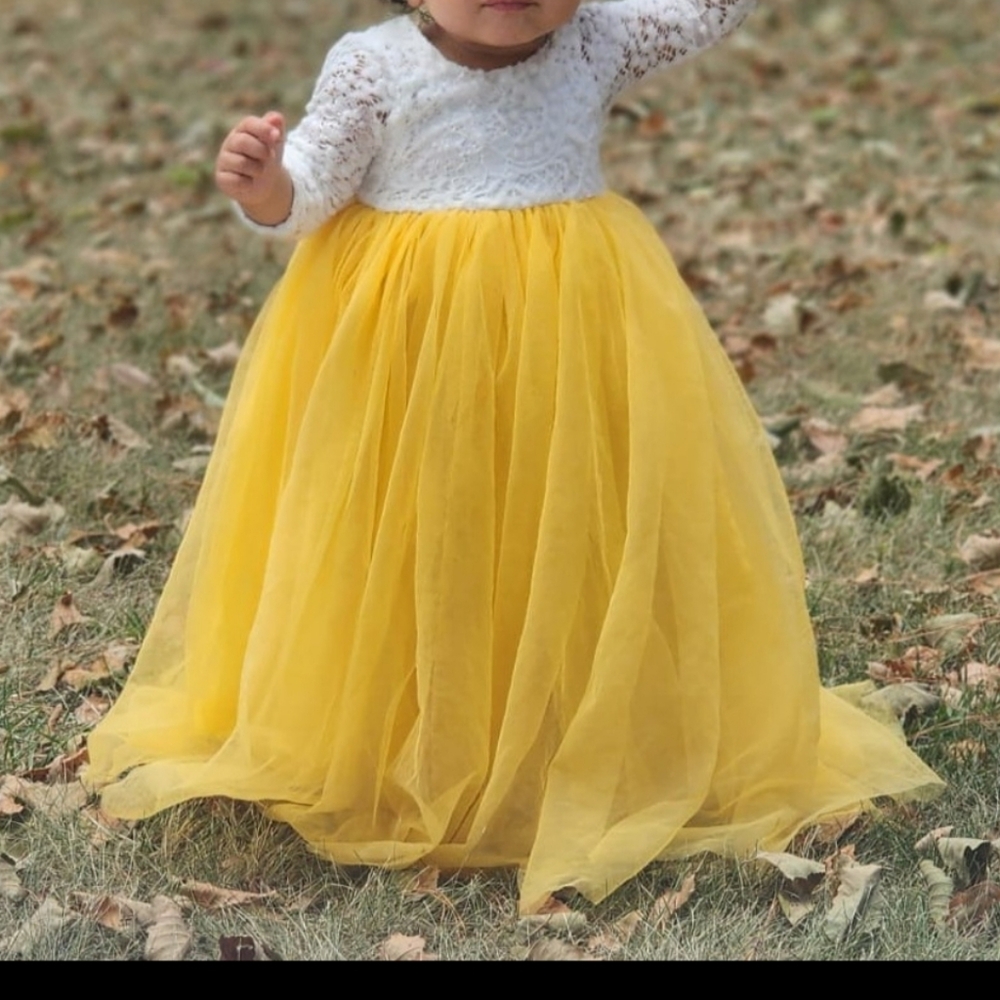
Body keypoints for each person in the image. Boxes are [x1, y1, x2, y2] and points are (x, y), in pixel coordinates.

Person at [86, 1, 943, 914]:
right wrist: (264, 185)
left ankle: (560, 723)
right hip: (411, 362)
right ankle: (401, 729)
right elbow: (309, 189)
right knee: (422, 536)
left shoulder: (598, 38)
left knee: (558, 527)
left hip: (565, 350)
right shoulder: (372, 66)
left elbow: (709, 9)